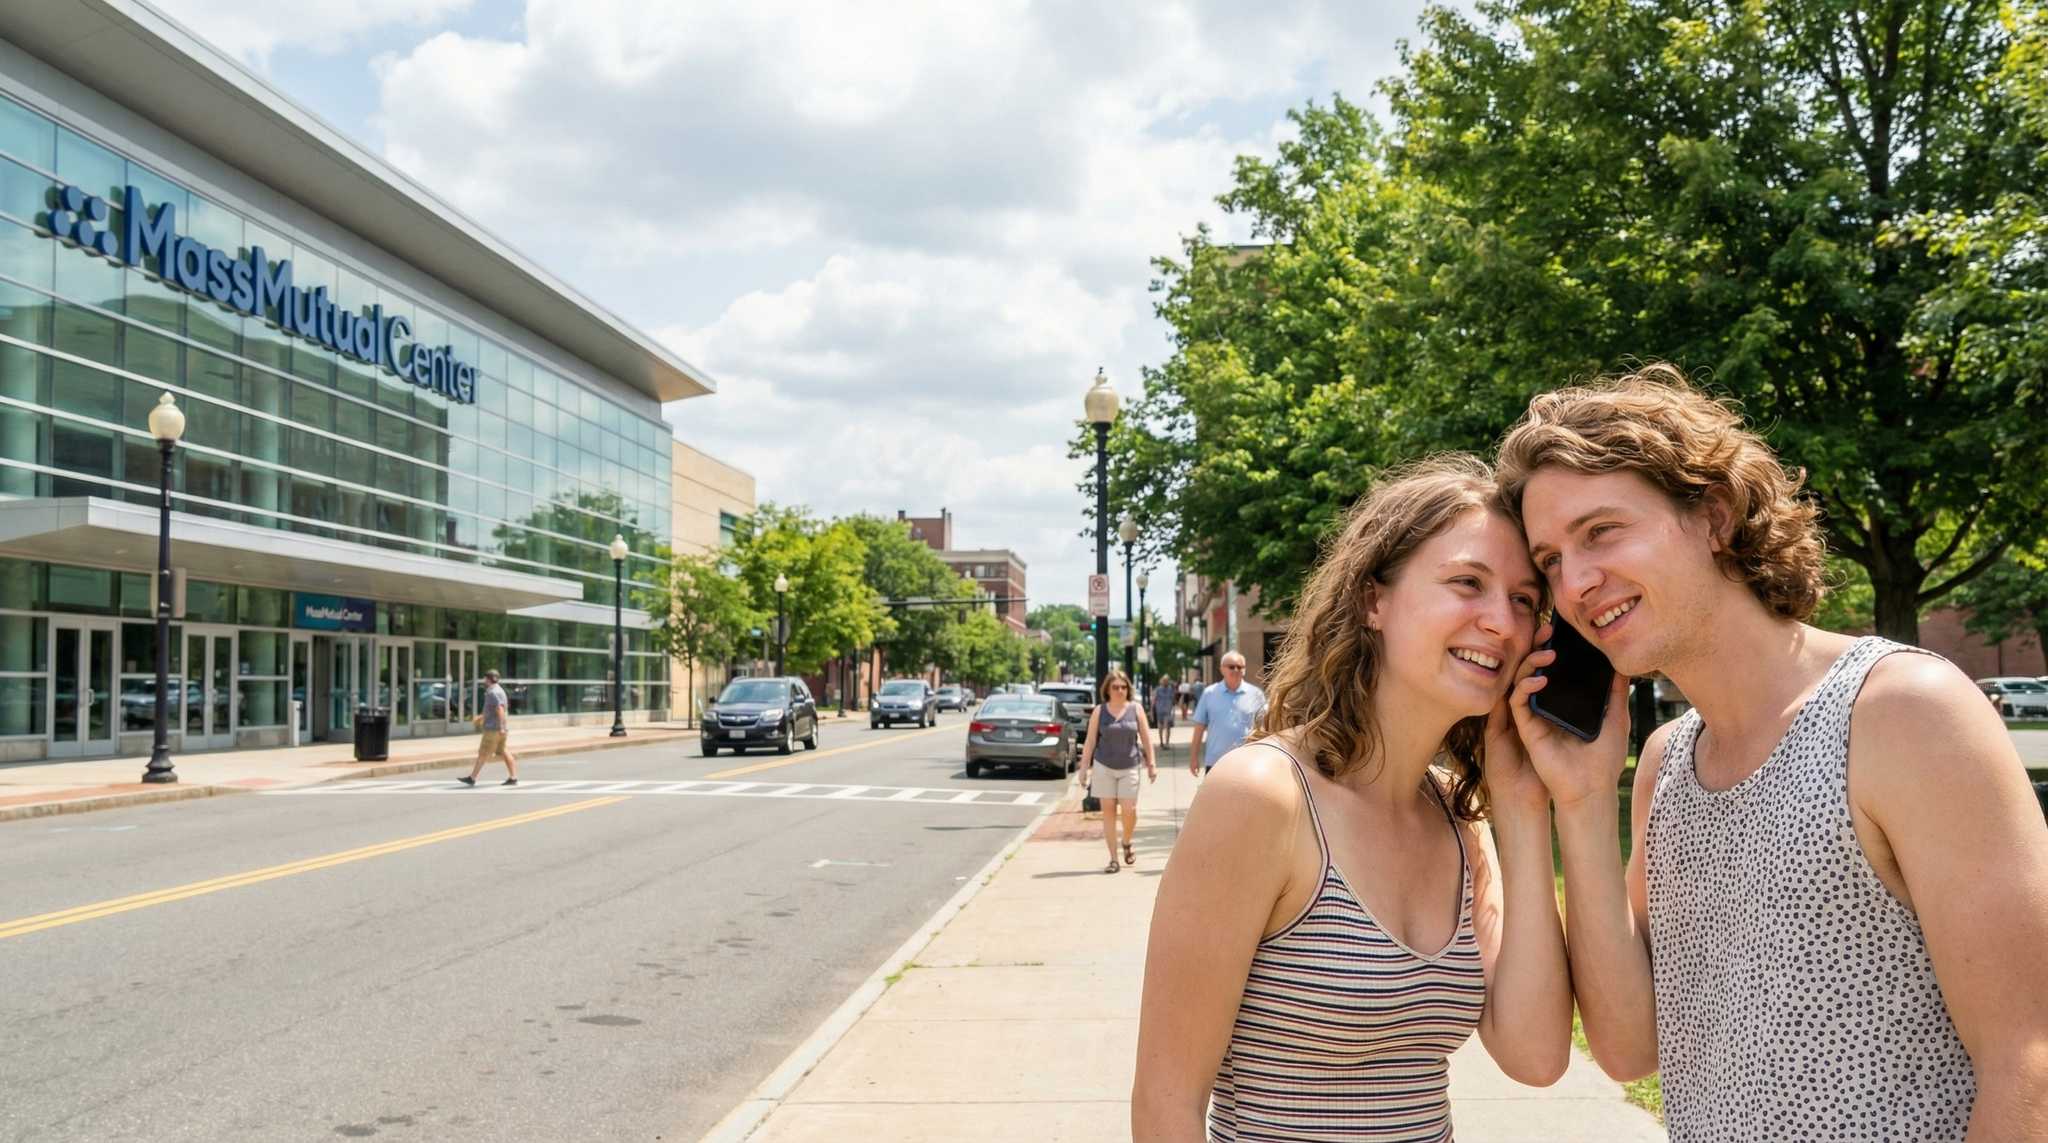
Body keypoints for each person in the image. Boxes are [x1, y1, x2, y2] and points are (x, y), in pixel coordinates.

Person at [1497, 364, 2048, 1140]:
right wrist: (1584, 801)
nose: (1577, 582)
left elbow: (2029, 1058)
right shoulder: (1666, 763)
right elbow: (1626, 1050)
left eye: (1602, 531)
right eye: (1550, 560)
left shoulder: (1903, 713)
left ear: (1713, 515)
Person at [1134, 456, 1570, 1140]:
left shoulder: (1460, 815)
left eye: (1523, 599)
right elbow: (1166, 1107)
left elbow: (1536, 1055)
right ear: (1375, 599)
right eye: (1467, 582)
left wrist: (1520, 805)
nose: (1502, 623)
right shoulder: (1262, 796)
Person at [1077, 669, 1157, 873]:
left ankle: (1127, 841)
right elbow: (1090, 741)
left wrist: (1151, 764)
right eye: (1115, 687)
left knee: (1130, 810)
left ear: (1128, 689)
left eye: (1123, 687)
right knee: (1109, 813)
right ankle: (1113, 859)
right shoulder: (1099, 711)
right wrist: (1084, 767)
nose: (1120, 690)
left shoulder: (1136, 709)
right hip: (1104, 766)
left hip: (1130, 765)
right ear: (1108, 689)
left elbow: (1147, 739)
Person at [1186, 652, 1264, 776]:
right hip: (1216, 762)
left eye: (1240, 667)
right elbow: (1199, 728)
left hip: (1246, 763)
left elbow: (1264, 728)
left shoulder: (1256, 695)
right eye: (1231, 666)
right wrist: (1194, 758)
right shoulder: (1209, 693)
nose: (1236, 670)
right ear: (1222, 669)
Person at [460, 669, 519, 787]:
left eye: (485, 678)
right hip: (499, 729)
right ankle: (513, 777)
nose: (484, 680)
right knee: (503, 751)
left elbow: (500, 709)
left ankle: (472, 778)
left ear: (488, 679)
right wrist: (482, 717)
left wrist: (501, 727)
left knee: (483, 753)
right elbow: (493, 710)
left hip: (493, 730)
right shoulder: (499, 690)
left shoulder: (493, 693)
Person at [1151, 677, 1178, 749]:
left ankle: (1165, 743)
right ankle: (1163, 742)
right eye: (1164, 681)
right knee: (1163, 727)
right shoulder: (1166, 690)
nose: (1165, 682)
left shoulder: (1160, 689)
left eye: (1166, 681)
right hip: (1162, 710)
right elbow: (1174, 701)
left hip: (1164, 711)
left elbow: (1154, 700)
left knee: (1165, 727)